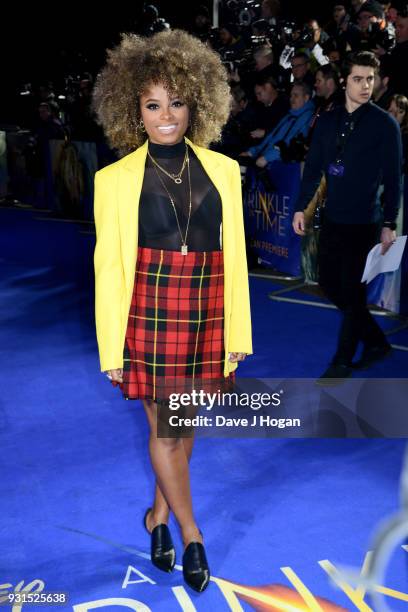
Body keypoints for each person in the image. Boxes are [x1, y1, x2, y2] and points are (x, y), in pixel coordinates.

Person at [92, 29, 252, 593]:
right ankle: (190, 533)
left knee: (183, 426)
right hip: (148, 312)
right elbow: (108, 268)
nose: (166, 116)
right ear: (133, 109)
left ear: (196, 103)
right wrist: (112, 348)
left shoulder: (225, 172)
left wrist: (238, 331)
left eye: (176, 103)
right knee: (165, 426)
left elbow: (235, 262)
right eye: (152, 105)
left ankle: (156, 516)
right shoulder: (111, 182)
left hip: (206, 306)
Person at [292, 51, 402, 383]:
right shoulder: (327, 120)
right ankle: (377, 342)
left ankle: (341, 361)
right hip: (333, 219)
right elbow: (313, 169)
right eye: (358, 79)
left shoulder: (385, 124)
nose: (365, 86)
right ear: (345, 81)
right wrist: (300, 206)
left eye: (370, 79)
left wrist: (388, 223)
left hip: (366, 223)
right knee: (328, 283)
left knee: (353, 292)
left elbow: (393, 178)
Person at [240, 82, 315, 167]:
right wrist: (252, 152)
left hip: (282, 167)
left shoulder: (307, 118)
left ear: (306, 98)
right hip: (267, 160)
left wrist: (267, 158)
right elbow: (271, 137)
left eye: (296, 95)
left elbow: (291, 147)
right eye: (291, 95)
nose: (291, 99)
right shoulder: (289, 115)